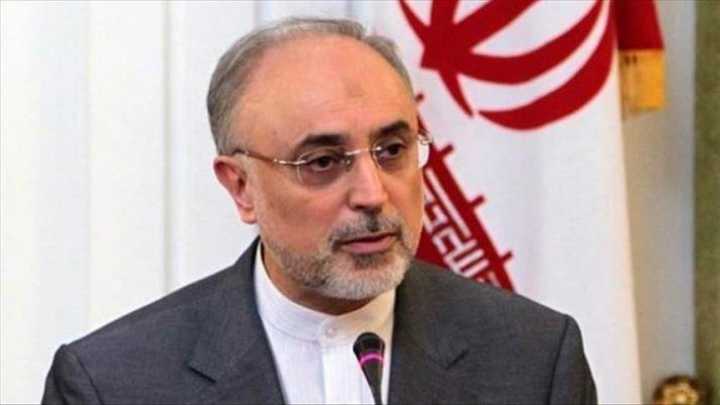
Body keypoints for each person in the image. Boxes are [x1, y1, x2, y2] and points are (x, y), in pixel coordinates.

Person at [42, 17, 596, 404]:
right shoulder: (113, 384)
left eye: (392, 150)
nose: (372, 194)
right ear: (241, 187)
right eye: (323, 161)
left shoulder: (534, 359)